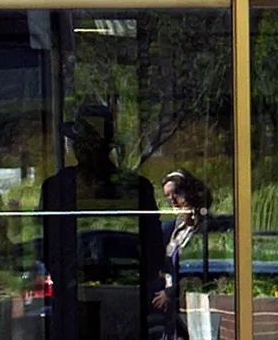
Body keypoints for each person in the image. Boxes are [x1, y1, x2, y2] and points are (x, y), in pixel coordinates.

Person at [40, 105, 166, 340]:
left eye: (88, 143)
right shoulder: (57, 188)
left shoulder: (134, 189)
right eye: (80, 143)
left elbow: (153, 250)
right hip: (74, 305)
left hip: (122, 307)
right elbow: (51, 250)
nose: (82, 149)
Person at [154, 170, 212, 340]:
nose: (172, 200)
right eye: (168, 196)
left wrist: (171, 292)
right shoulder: (175, 227)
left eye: (176, 194)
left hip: (190, 305)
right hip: (171, 310)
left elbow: (198, 271)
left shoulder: (204, 228)